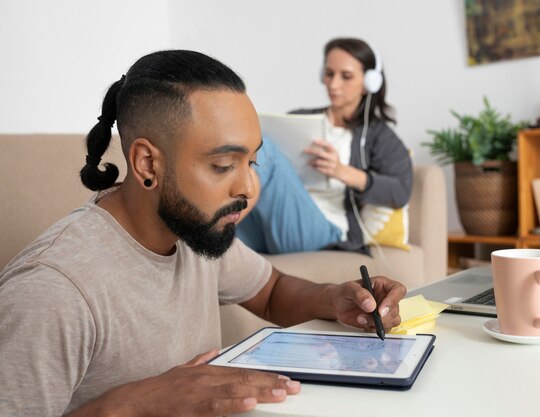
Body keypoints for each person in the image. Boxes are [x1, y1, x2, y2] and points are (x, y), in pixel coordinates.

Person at [0, 50, 406, 417]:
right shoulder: (52, 289)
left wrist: (333, 298)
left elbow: (271, 291)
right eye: (223, 165)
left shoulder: (194, 230)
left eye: (252, 162)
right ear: (146, 164)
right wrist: (134, 404)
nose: (248, 189)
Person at [237, 37, 413, 254]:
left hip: (324, 231)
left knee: (266, 150)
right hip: (270, 221)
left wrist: (342, 172)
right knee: (247, 145)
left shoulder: (378, 135)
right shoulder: (298, 119)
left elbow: (400, 192)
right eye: (329, 74)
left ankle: (213, 229)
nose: (333, 84)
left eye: (346, 76)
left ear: (369, 83)